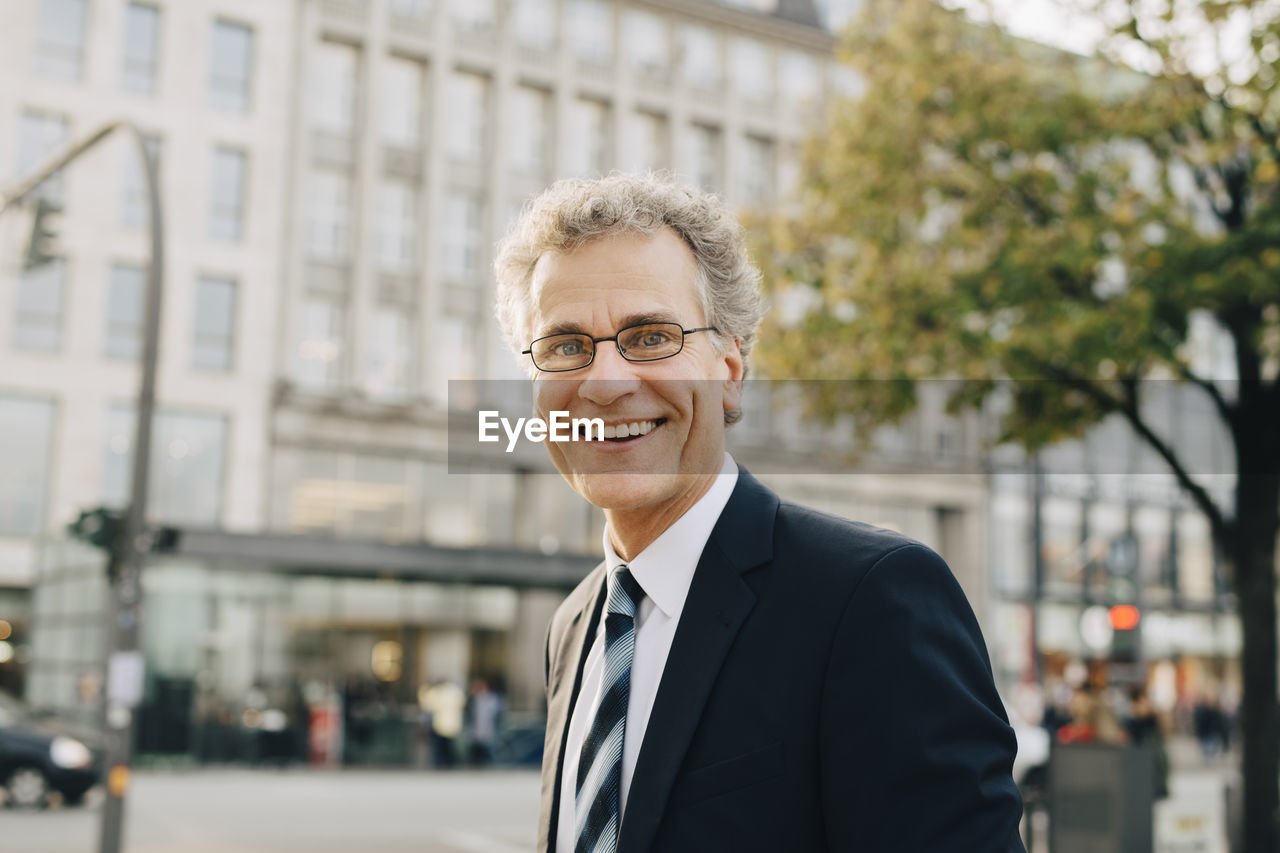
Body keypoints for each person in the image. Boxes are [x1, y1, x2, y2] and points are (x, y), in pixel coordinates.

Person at [493, 174, 1024, 853]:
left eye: (650, 336)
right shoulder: (574, 623)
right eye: (565, 345)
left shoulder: (872, 601)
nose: (603, 382)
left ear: (729, 373)